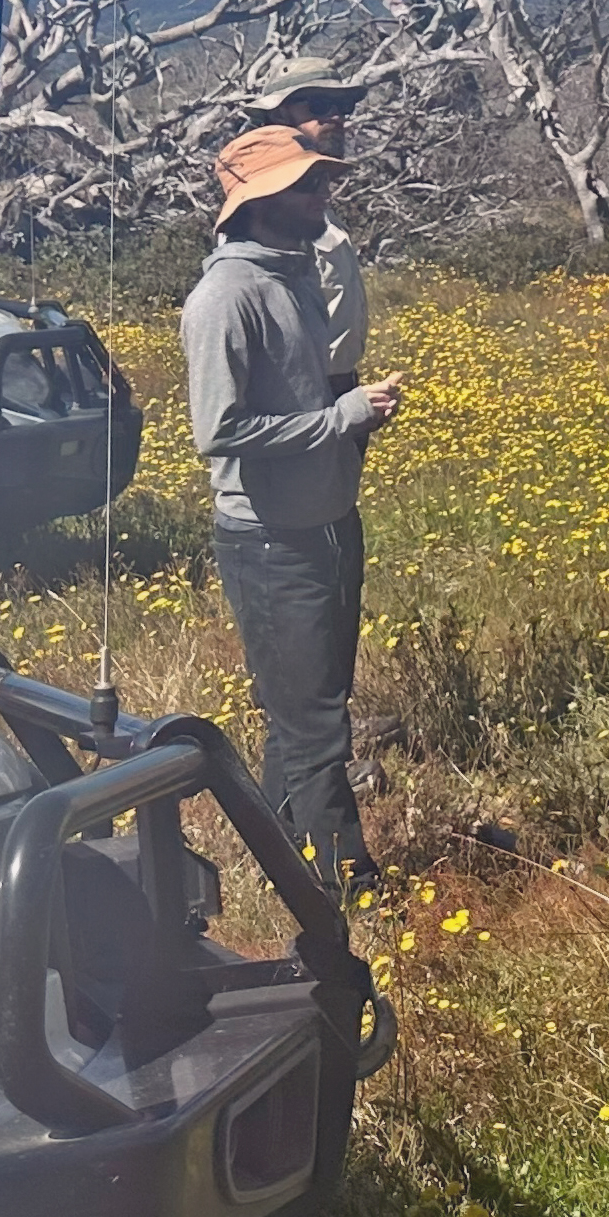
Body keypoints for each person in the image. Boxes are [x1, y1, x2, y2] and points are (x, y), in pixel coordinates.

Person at [182, 123, 405, 897]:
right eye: (308, 184)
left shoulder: (293, 275)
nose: (323, 195)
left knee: (307, 708)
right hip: (271, 540)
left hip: (327, 522)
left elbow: (303, 400)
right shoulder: (226, 297)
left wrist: (350, 417)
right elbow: (219, 432)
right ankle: (349, 890)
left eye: (320, 181)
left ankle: (282, 857)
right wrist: (342, 419)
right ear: (261, 201)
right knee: (314, 725)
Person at [247, 66, 375, 585]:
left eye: (342, 106)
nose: (336, 117)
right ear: (279, 115)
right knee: (304, 563)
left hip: (338, 395)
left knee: (336, 551)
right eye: (317, 105)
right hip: (303, 406)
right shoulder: (273, 211)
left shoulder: (313, 207)